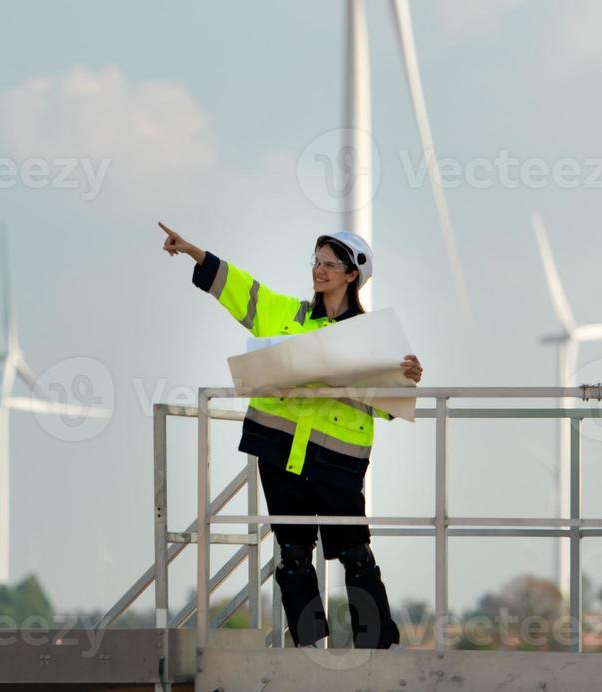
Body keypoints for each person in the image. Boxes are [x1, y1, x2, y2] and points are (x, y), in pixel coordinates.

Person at [157, 221, 421, 649]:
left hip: (339, 461)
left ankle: (377, 649)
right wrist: (195, 254)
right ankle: (307, 648)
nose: (319, 270)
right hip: (280, 451)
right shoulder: (286, 314)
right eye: (316, 261)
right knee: (293, 557)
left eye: (329, 264)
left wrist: (406, 377)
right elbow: (241, 290)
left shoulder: (375, 339)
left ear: (352, 274)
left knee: (355, 555)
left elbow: (392, 405)